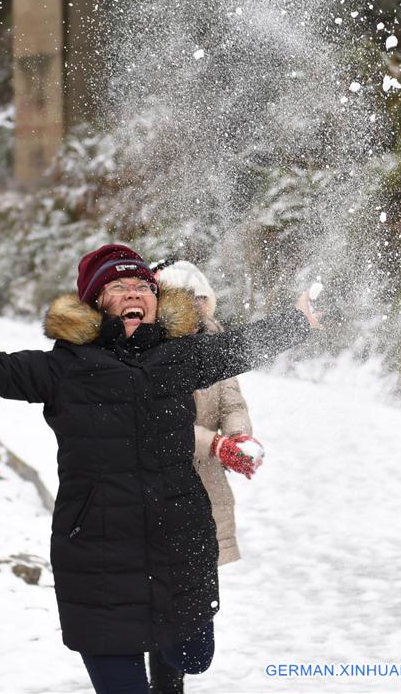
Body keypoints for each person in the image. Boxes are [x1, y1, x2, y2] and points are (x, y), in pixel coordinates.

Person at [0, 243, 320, 694]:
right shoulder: (63, 369)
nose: (134, 294)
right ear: (96, 303)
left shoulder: (179, 358)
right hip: (98, 551)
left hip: (178, 542)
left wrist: (297, 321)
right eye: (118, 287)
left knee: (193, 657)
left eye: (143, 287)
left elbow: (239, 347)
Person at [147, 260, 261, 694]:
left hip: (206, 485)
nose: (193, 309)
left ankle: (173, 673)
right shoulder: (150, 350)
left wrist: (240, 436)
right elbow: (160, 417)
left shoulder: (214, 341)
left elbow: (232, 397)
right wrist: (213, 444)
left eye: (200, 301)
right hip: (163, 482)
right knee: (164, 599)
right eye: (183, 301)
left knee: (193, 598)